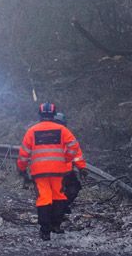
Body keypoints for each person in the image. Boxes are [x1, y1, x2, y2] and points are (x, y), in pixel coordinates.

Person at [17, 103, 88, 241]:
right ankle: (56, 225)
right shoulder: (62, 130)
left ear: (40, 114)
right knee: (58, 196)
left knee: (44, 198)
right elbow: (74, 147)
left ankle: (45, 232)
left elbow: (24, 153)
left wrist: (21, 168)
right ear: (54, 114)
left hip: (39, 172)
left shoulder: (32, 131)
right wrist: (67, 159)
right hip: (58, 171)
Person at [53, 112, 82, 214]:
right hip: (64, 169)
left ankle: (59, 207)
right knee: (73, 188)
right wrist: (81, 167)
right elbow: (76, 153)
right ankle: (61, 207)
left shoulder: (44, 134)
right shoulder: (67, 134)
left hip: (46, 170)